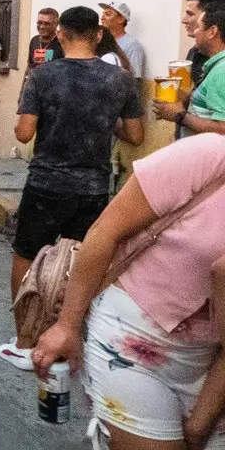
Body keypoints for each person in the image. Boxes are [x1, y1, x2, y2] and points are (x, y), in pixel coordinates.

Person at [32, 133, 225, 450]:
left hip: (214, 363)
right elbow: (105, 232)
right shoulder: (205, 156)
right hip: (133, 336)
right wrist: (67, 325)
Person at [0, 5, 145, 370]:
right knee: (81, 261)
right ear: (98, 35)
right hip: (94, 185)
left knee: (27, 255)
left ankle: (25, 340)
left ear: (60, 35)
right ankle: (69, 335)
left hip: (47, 181)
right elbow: (136, 136)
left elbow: (24, 132)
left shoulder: (43, 76)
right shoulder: (121, 79)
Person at [154, 0, 225, 135]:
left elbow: (222, 129)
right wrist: (190, 96)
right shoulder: (217, 66)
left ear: (212, 31)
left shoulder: (222, 71)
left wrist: (179, 115)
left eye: (198, 26)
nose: (195, 33)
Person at [99, 1, 145, 79]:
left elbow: (135, 79)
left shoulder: (132, 46)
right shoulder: (99, 41)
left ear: (121, 19)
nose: (102, 17)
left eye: (108, 14)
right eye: (103, 13)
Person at [26, 7, 64, 72]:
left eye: (47, 24)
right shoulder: (34, 40)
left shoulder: (63, 41)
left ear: (56, 24)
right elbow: (30, 66)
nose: (42, 27)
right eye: (39, 23)